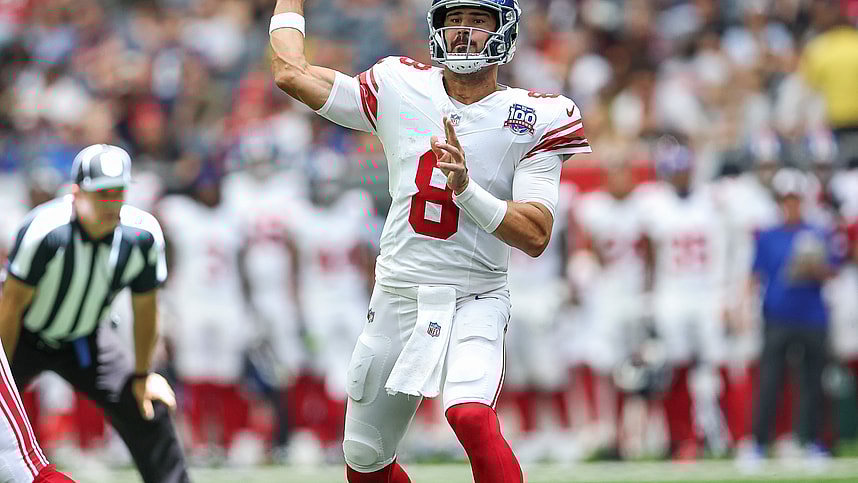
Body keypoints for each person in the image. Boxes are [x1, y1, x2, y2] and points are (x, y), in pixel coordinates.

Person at [269, 0, 591, 480]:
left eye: (477, 20)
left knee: (470, 414)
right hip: (398, 294)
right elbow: (290, 73)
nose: (463, 31)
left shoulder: (535, 115)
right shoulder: (400, 83)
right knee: (364, 459)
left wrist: (466, 191)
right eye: (453, 19)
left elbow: (536, 233)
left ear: (505, 30)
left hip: (475, 294)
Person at [0, 144, 190, 483]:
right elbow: (11, 307)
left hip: (86, 336)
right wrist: (8, 370)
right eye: (101, 193)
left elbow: (146, 308)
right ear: (76, 193)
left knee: (147, 406)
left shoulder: (141, 235)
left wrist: (143, 375)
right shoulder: (45, 230)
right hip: (23, 336)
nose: (111, 203)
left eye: (118, 192)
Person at [638, 139, 731, 460]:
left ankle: (718, 433)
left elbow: (727, 249)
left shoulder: (712, 199)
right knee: (674, 370)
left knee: (713, 366)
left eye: (684, 169)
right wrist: (648, 299)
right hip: (672, 295)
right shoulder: (655, 204)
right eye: (674, 171)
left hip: (707, 293)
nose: (680, 176)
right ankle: (682, 437)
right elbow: (649, 257)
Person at [744, 168, 844, 466]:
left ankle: (813, 442)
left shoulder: (818, 231)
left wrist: (814, 269)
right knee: (770, 383)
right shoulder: (768, 235)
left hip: (812, 316)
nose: (791, 205)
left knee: (813, 383)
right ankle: (761, 443)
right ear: (779, 201)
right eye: (786, 199)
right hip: (777, 316)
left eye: (795, 199)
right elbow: (755, 275)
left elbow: (834, 270)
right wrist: (742, 307)